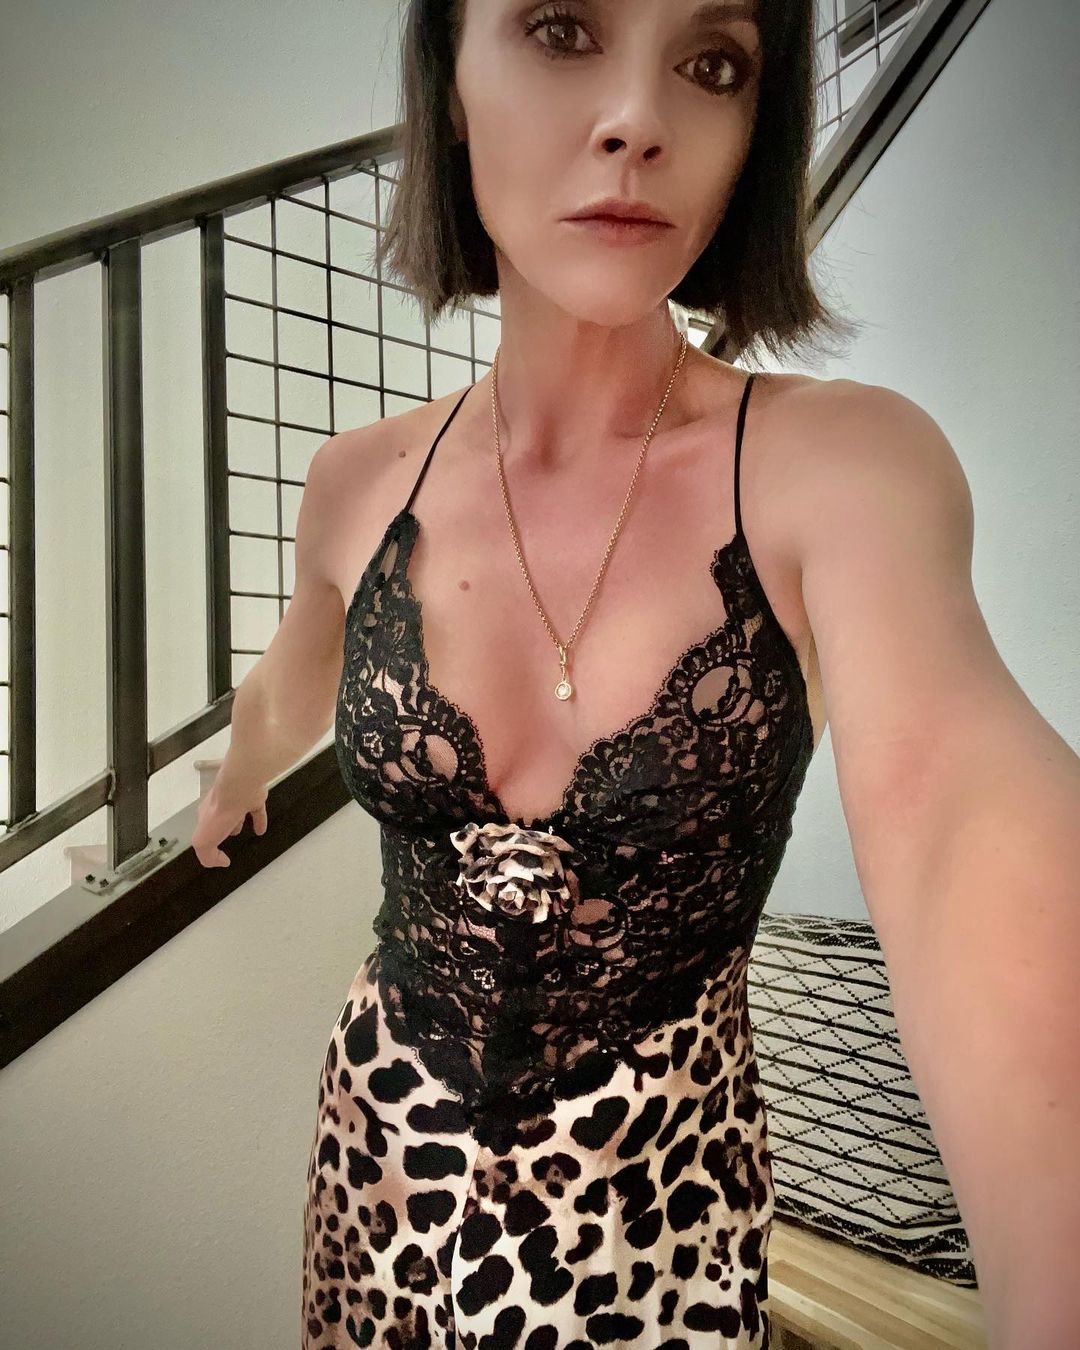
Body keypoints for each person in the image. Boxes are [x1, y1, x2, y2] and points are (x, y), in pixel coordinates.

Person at [194, 1, 1080, 1346]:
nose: (637, 120)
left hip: (652, 1208)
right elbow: (292, 678)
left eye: (711, 65)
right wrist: (237, 779)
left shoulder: (841, 468)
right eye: (562, 30)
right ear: (449, 82)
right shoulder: (358, 480)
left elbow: (963, 817)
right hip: (378, 1152)